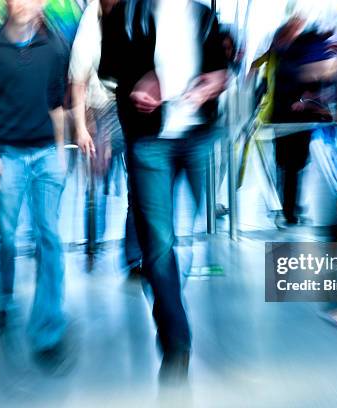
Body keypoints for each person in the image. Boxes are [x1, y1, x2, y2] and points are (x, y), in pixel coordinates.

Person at [99, 0, 228, 383]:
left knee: (188, 235)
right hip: (151, 141)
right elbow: (108, 72)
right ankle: (176, 340)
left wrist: (215, 82)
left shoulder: (205, 16)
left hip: (198, 137)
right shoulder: (129, 14)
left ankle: (172, 306)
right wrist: (140, 82)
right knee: (159, 243)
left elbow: (221, 69)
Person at [0, 0, 71, 367]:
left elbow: (56, 104)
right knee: (6, 239)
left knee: (50, 239)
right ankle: (3, 296)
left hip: (45, 158)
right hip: (5, 158)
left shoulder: (55, 47)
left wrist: (60, 151)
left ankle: (48, 330)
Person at [69, 0, 142, 271]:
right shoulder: (91, 22)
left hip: (132, 107)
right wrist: (81, 126)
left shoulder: (135, 15)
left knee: (137, 185)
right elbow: (77, 81)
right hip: (103, 110)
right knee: (95, 185)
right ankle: (92, 246)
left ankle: (134, 257)